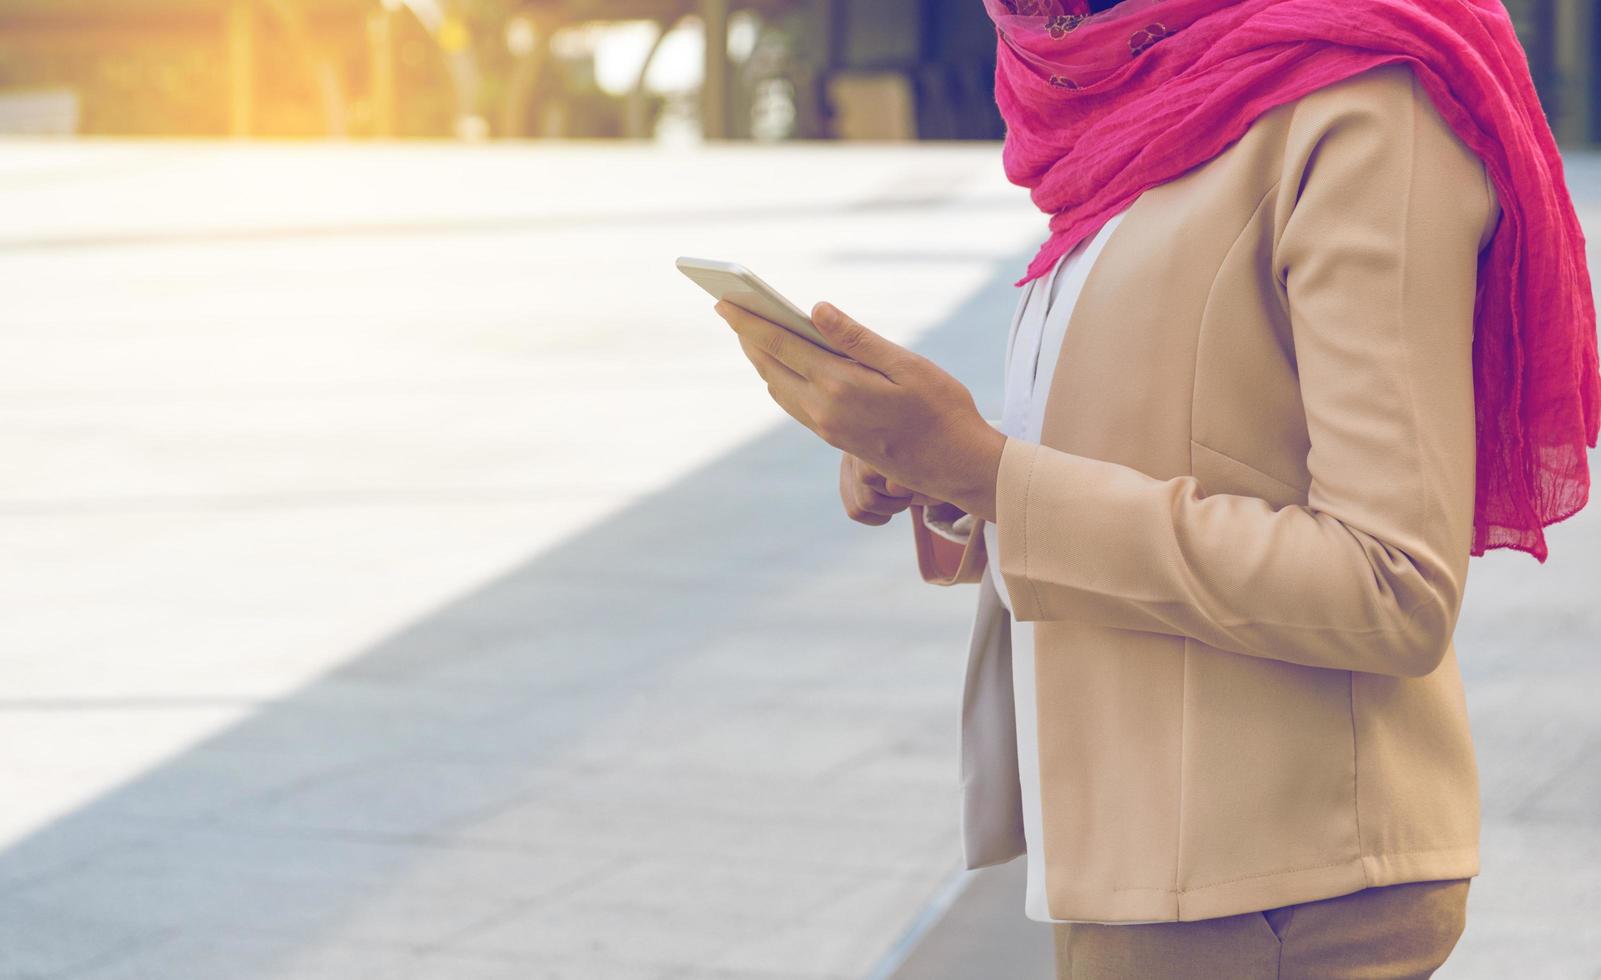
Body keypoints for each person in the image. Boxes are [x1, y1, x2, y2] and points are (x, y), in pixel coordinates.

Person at [713, 0, 1600, 976]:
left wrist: (985, 467)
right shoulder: (1140, 102)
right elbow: (1184, 447)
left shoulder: (1361, 107)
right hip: (1143, 866)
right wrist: (939, 465)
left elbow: (1391, 584)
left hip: (1279, 891)